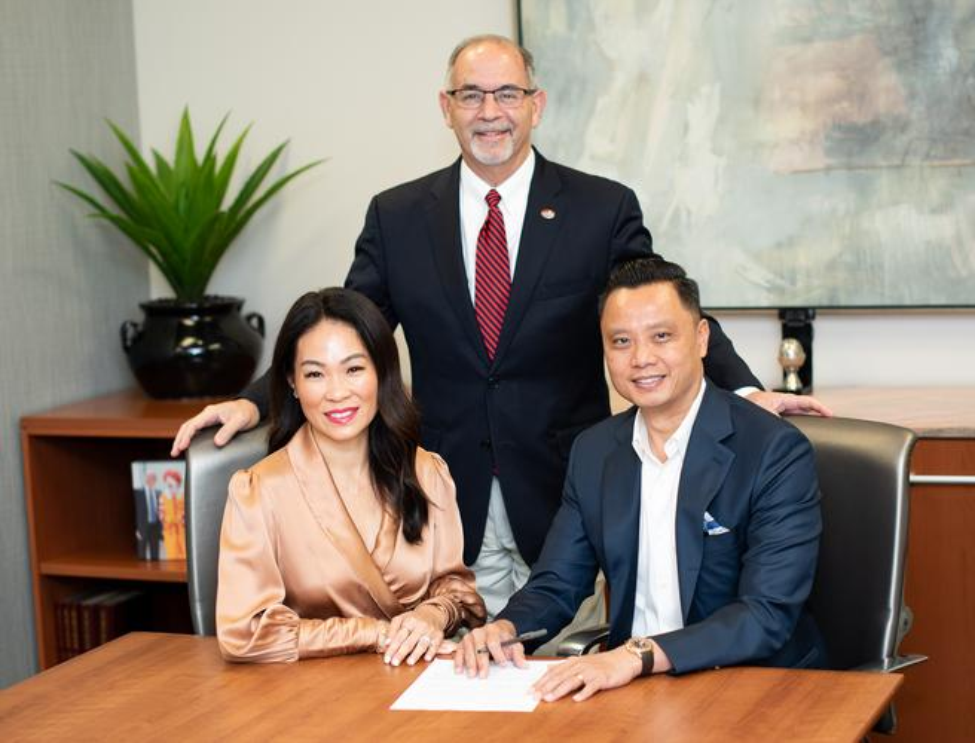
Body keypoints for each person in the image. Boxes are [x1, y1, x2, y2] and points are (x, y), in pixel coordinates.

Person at [173, 35, 830, 618]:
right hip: (442, 492)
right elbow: (343, 327)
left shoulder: (599, 208)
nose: (490, 112)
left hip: (563, 491)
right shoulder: (398, 216)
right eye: (472, 95)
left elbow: (659, 308)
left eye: (507, 93)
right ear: (446, 106)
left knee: (561, 675)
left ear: (535, 104)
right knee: (465, 681)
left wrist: (745, 393)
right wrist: (248, 400)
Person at [454, 257, 825, 702]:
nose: (641, 359)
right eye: (621, 341)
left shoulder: (772, 450)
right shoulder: (595, 451)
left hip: (750, 686)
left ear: (702, 338)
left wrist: (636, 655)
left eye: (662, 336)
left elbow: (764, 615)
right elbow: (557, 583)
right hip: (637, 691)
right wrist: (506, 628)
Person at [216, 288, 486, 663]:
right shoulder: (259, 490)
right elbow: (244, 632)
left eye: (354, 369)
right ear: (292, 382)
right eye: (315, 374)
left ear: (380, 372)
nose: (337, 392)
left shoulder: (426, 471)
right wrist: (375, 633)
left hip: (416, 681)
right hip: (309, 697)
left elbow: (459, 592)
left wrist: (432, 615)